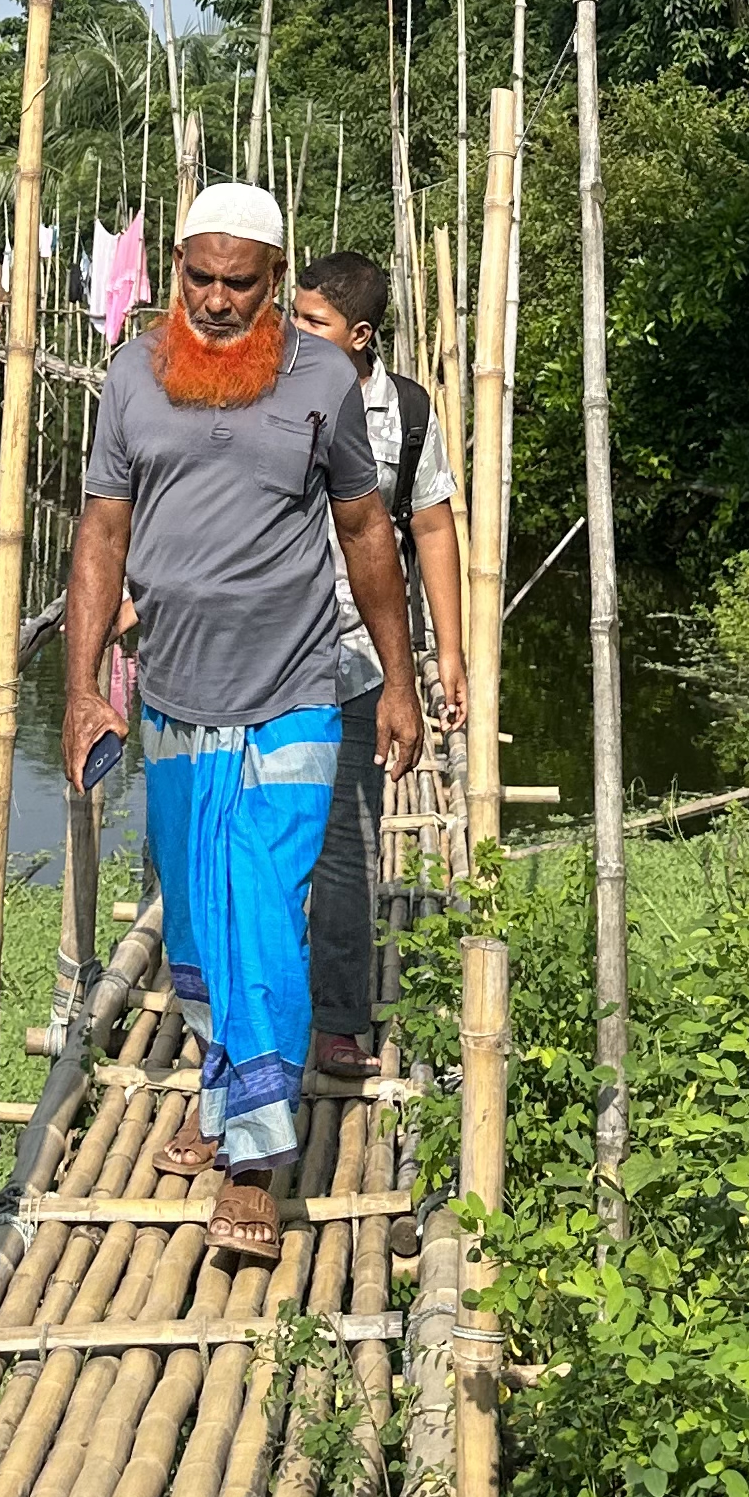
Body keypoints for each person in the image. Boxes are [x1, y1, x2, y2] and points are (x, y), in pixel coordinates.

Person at [62, 182, 422, 1260]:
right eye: (199, 279)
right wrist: (83, 687)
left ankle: (258, 1155)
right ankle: (227, 1083)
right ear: (176, 270)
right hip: (173, 690)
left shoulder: (321, 379)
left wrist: (397, 679)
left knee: (265, 898)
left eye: (240, 282)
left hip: (299, 685)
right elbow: (99, 534)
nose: (216, 301)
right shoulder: (134, 374)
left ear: (276, 281)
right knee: (200, 913)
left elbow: (367, 533)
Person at [290, 250, 467, 1081]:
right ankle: (249, 1014)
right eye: (293, 317)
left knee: (346, 842)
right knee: (255, 834)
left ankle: (335, 1021)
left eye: (314, 323)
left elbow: (429, 525)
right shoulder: (271, 387)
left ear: (360, 337)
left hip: (359, 655)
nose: (296, 333)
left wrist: (445, 657)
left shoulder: (406, 415)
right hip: (265, 650)